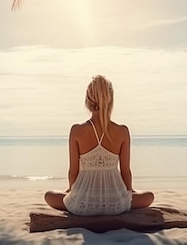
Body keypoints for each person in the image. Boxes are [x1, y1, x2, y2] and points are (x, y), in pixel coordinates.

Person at [44, 75, 154, 216]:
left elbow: (73, 171)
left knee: (49, 195)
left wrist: (72, 191)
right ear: (110, 100)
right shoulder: (122, 131)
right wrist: (129, 193)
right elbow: (125, 172)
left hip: (83, 204)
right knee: (149, 196)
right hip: (116, 204)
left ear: (88, 101)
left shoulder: (76, 130)